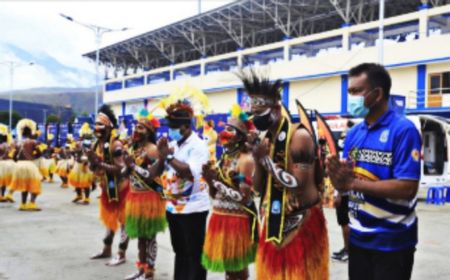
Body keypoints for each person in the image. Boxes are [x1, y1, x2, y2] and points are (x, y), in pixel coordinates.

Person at [326, 63, 421, 280]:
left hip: (392, 242)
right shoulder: (353, 133)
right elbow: (348, 178)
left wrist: (353, 184)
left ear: (377, 94)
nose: (351, 97)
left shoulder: (403, 130)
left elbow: (407, 188)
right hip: (358, 239)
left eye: (356, 91)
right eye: (349, 92)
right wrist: (338, 185)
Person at [238, 72, 329, 280]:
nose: (257, 118)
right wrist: (257, 157)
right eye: (254, 114)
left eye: (261, 113)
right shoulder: (264, 139)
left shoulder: (300, 137)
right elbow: (259, 188)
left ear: (277, 109)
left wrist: (265, 160)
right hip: (272, 221)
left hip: (301, 224)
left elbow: (297, 184)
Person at [201, 104, 258, 280]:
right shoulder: (224, 158)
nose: (224, 132)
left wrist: (215, 182)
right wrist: (210, 182)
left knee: (237, 269)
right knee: (229, 268)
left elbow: (243, 198)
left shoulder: (245, 160)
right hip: (219, 217)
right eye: (224, 128)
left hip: (236, 221)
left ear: (240, 136)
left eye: (229, 129)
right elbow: (214, 195)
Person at [159, 99, 210, 280]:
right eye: (170, 125)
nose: (170, 129)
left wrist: (168, 156)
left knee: (194, 253)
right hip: (174, 207)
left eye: (174, 126)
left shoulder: (198, 145)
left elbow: (189, 173)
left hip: (193, 209)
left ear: (186, 127)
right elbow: (156, 172)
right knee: (180, 251)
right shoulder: (173, 144)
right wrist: (161, 156)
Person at [123, 110, 167, 280]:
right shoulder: (135, 149)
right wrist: (125, 167)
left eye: (141, 127)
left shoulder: (153, 150)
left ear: (149, 131)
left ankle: (149, 271)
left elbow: (150, 176)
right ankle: (141, 269)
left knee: (149, 236)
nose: (136, 130)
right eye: (136, 126)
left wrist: (132, 166)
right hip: (135, 196)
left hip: (149, 198)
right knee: (140, 237)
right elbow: (127, 172)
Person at [88, 104, 130, 266]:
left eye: (101, 125)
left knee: (125, 222)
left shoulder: (116, 145)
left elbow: (121, 169)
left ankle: (121, 253)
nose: (97, 128)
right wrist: (92, 162)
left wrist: (99, 162)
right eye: (96, 124)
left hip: (122, 189)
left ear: (108, 127)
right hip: (107, 188)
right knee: (109, 220)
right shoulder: (97, 144)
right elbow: (94, 168)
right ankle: (107, 250)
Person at [332, 120, 354, 262]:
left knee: (345, 222)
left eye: (346, 134)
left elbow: (344, 176)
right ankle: (346, 248)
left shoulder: (350, 153)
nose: (343, 137)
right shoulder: (346, 151)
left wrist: (338, 193)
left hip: (345, 194)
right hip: (345, 192)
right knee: (343, 223)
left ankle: (348, 250)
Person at [10, 119, 43, 211]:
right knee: (36, 184)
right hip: (29, 165)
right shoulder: (33, 142)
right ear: (31, 132)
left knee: (24, 185)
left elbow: (13, 156)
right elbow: (40, 153)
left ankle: (23, 204)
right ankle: (32, 204)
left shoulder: (18, 142)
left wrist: (18, 162)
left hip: (19, 165)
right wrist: (33, 156)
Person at [68, 123, 94, 205]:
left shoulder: (90, 144)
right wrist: (74, 150)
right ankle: (79, 195)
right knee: (77, 181)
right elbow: (74, 151)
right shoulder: (78, 143)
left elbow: (91, 153)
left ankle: (87, 198)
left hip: (85, 164)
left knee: (85, 182)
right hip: (78, 164)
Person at [0, 124, 14, 203]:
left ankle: (1, 196)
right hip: (9, 164)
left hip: (1, 164)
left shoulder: (1, 146)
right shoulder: (9, 146)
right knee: (8, 181)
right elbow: (12, 155)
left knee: (1, 181)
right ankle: (6, 195)